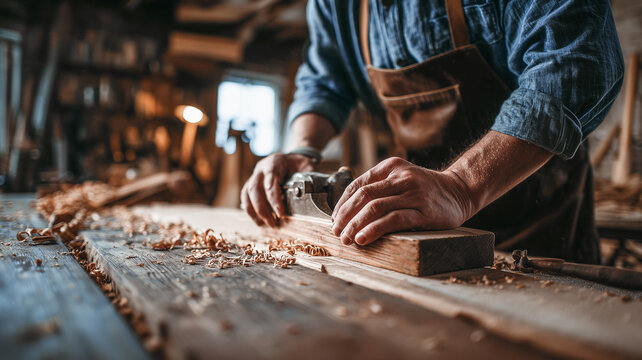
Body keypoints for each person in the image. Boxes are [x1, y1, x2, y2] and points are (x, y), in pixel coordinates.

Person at [240, 0, 624, 264]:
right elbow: (323, 82)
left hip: (538, 229)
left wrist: (462, 185)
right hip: (418, 235)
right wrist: (301, 149)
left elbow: (575, 63)